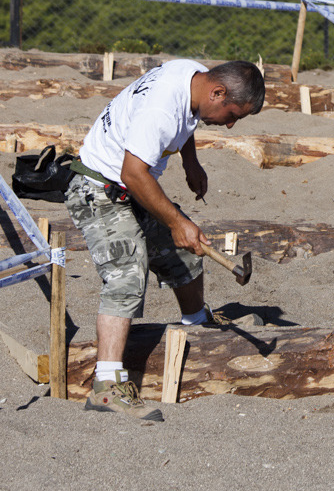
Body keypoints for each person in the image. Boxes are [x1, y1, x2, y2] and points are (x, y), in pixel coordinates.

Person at [64, 58, 265, 419]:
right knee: (127, 271)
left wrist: (190, 162)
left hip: (131, 187)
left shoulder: (194, 75)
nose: (231, 124)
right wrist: (175, 222)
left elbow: (187, 121)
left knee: (188, 255)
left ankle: (197, 324)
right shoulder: (160, 109)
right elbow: (133, 171)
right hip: (99, 189)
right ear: (218, 92)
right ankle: (105, 386)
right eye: (232, 114)